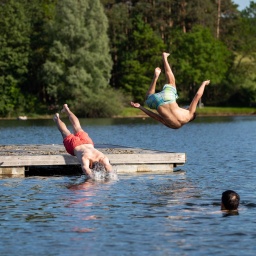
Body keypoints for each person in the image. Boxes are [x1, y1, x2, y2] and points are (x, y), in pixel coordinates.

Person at [131, 52, 210, 129]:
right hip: (157, 101)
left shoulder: (190, 113)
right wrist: (140, 107)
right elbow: (156, 117)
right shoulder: (175, 126)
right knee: (148, 96)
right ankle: (155, 78)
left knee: (171, 82)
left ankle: (164, 58)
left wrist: (204, 83)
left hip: (168, 97)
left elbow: (198, 95)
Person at [53, 104, 113, 178]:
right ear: (91, 165)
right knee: (65, 131)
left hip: (88, 142)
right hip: (74, 145)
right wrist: (92, 178)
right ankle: (57, 118)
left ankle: (67, 110)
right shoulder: (86, 158)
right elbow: (85, 168)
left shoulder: (103, 157)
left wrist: (112, 174)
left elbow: (109, 167)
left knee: (77, 127)